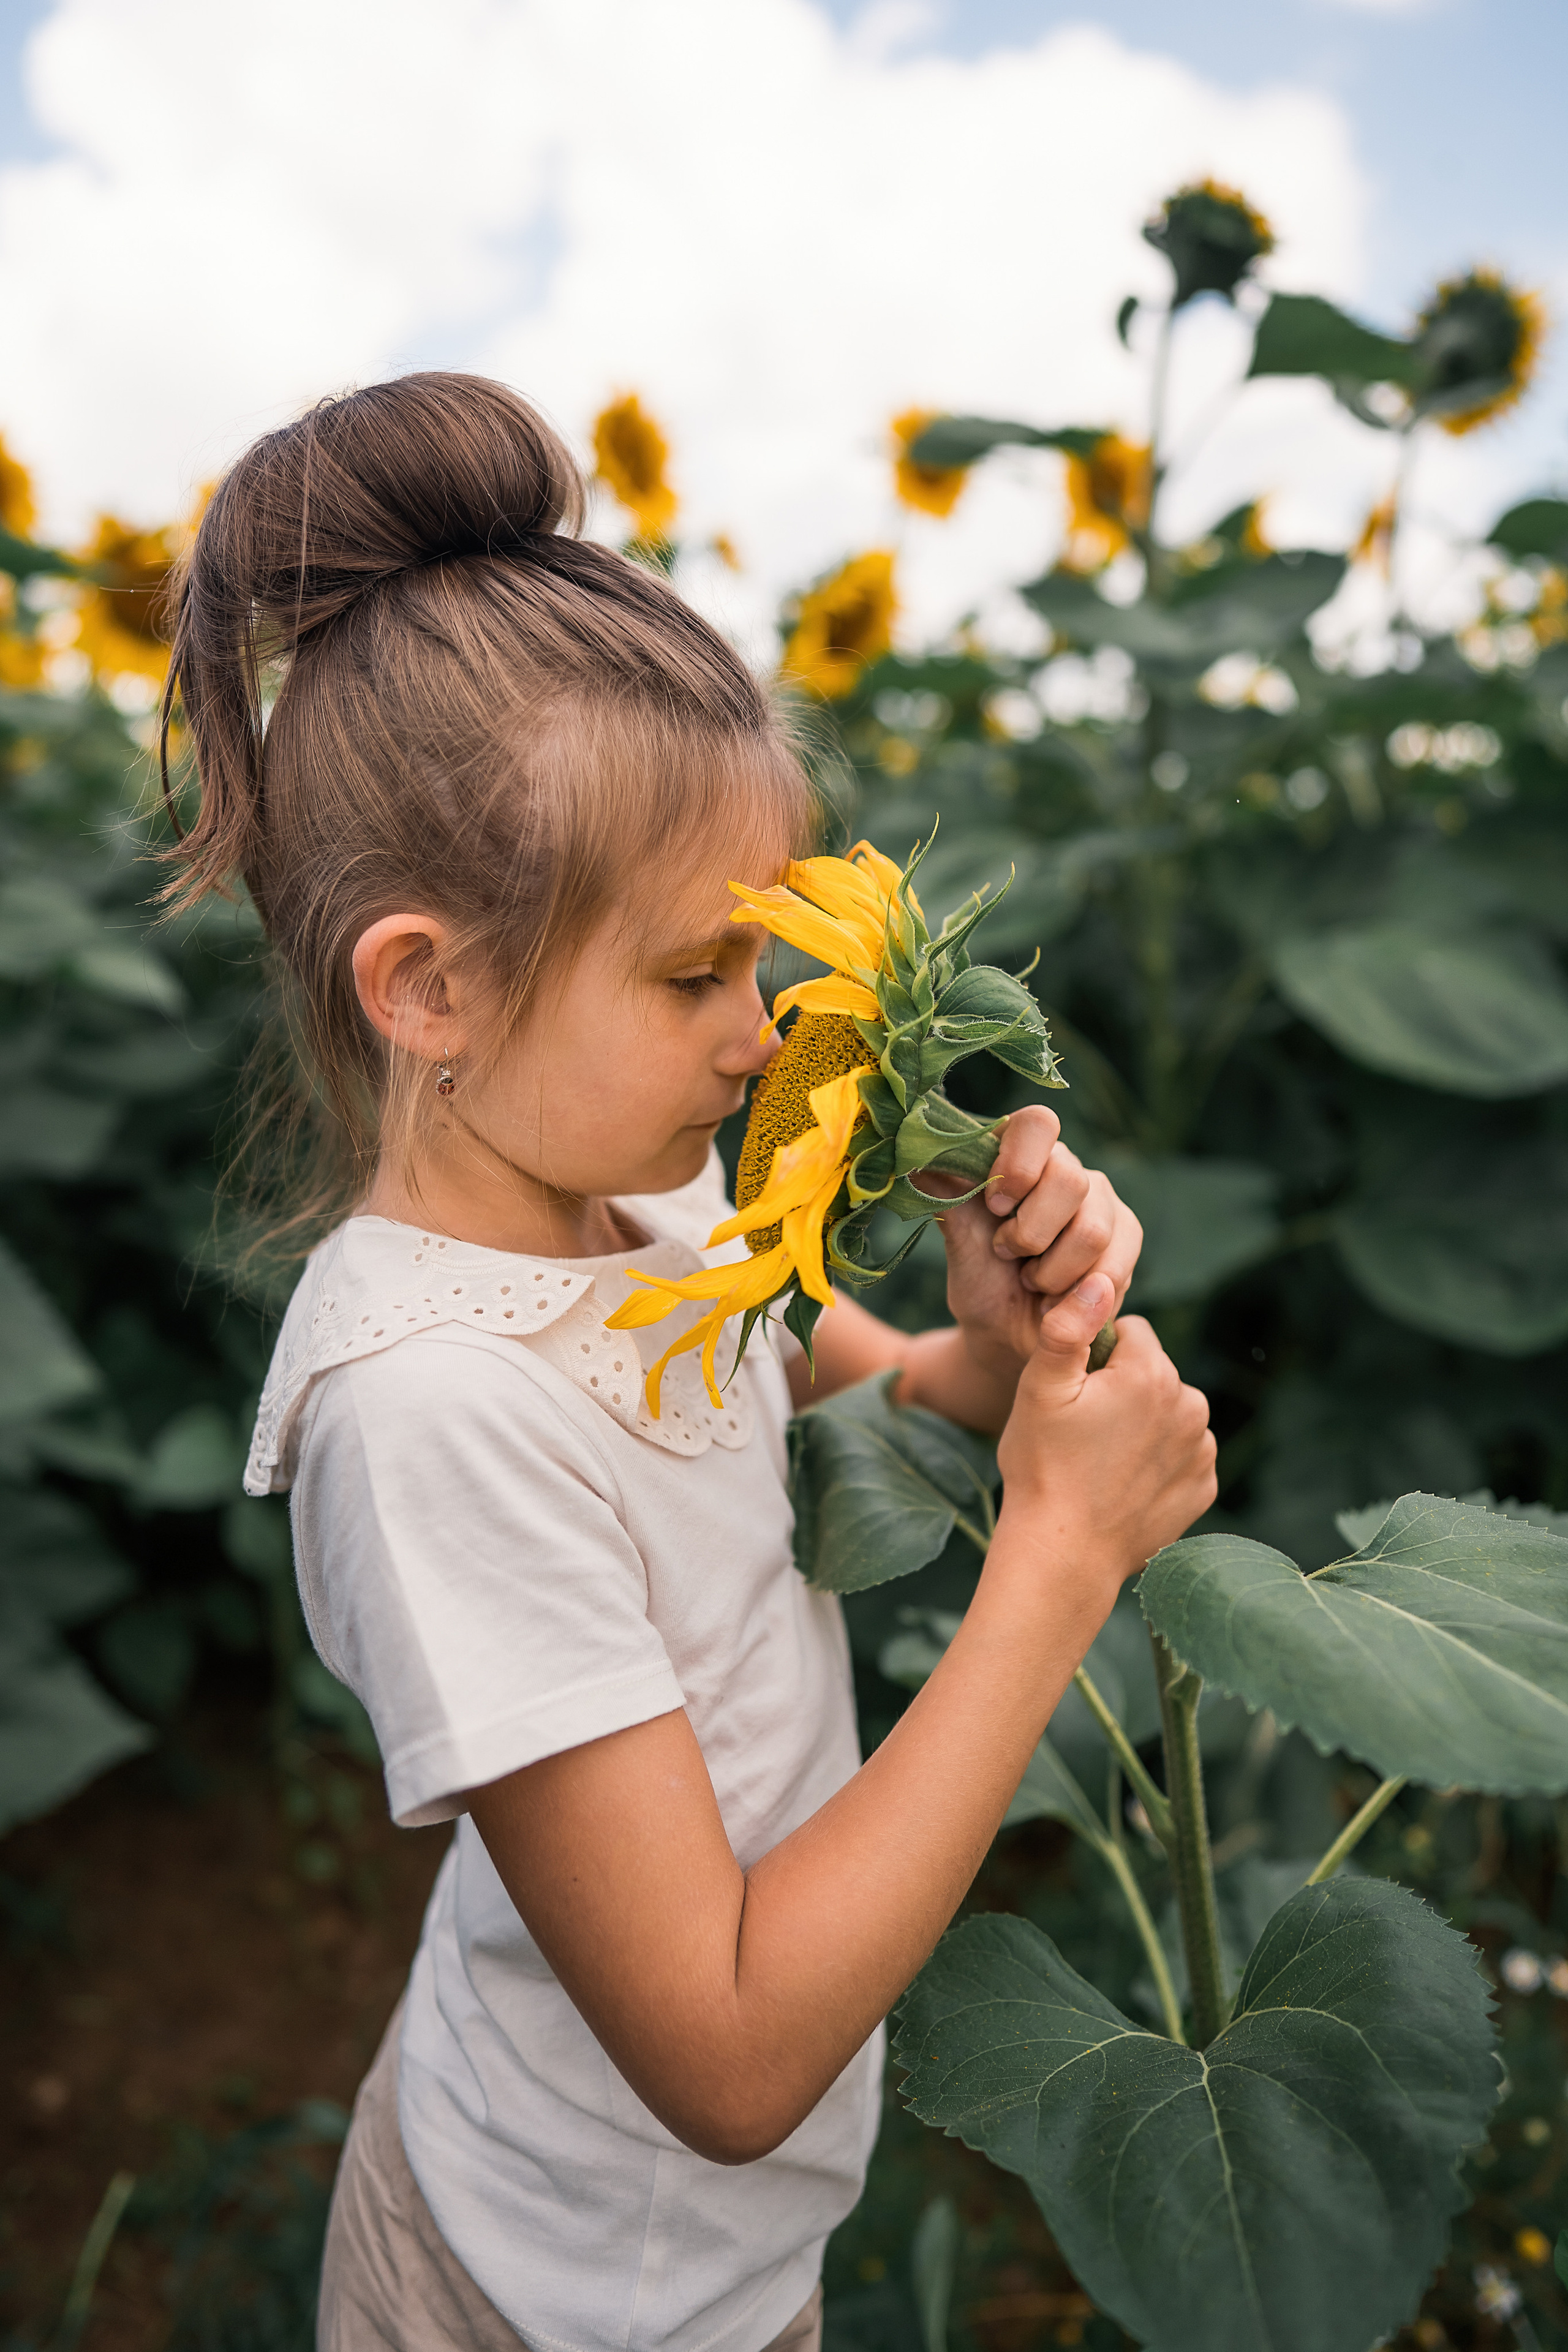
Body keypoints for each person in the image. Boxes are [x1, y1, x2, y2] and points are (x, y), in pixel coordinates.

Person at [167, 372, 1216, 2352]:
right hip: (555, 2293)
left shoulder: (649, 1203)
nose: (761, 1035)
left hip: (704, 2269)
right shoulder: (434, 1411)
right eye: (692, 976)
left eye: (762, 963)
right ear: (432, 988)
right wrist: (1057, 1568)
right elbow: (724, 2054)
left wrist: (990, 1358)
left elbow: (872, 1400)